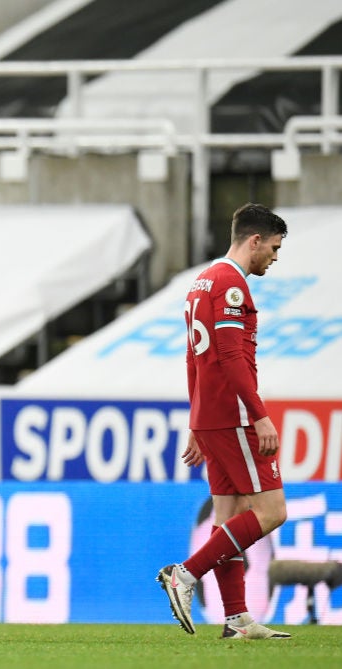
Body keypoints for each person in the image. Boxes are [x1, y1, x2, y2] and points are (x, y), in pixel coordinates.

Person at [157, 202, 290, 640]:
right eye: (273, 247)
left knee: (227, 515)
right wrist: (260, 416)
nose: (274, 256)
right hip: (233, 415)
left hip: (211, 413)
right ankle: (186, 574)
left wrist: (197, 419)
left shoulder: (201, 282)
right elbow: (231, 358)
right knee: (271, 512)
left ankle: (236, 618)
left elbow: (195, 357)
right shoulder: (231, 285)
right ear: (254, 240)